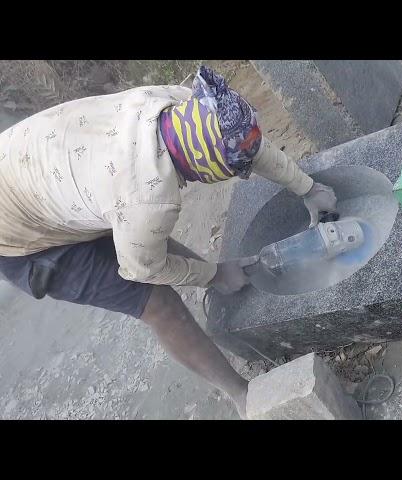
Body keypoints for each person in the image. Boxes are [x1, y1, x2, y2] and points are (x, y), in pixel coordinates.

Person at [0, 65, 338, 418]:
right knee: (158, 302)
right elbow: (142, 268)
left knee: (144, 232)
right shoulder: (147, 199)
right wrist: (214, 274)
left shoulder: (180, 106)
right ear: (203, 172)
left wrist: (308, 187)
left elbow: (241, 139)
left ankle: (217, 279)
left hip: (40, 171)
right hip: (22, 238)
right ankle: (242, 395)